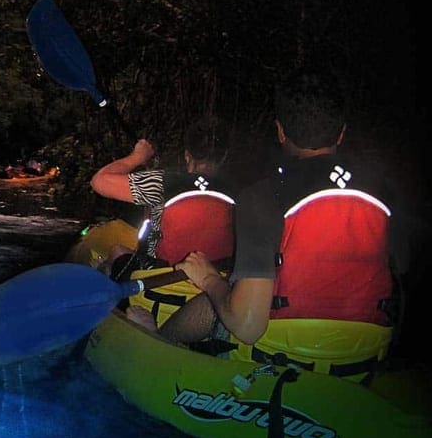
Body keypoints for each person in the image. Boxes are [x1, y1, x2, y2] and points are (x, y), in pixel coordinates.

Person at [166, 71, 402, 380]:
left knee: (220, 297)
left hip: (278, 354)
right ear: (342, 133)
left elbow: (247, 326)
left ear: (280, 131)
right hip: (365, 355)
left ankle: (159, 341)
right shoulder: (385, 192)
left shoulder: (262, 196)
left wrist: (209, 278)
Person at [90, 115, 236, 282]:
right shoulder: (238, 191)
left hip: (160, 279)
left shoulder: (163, 183)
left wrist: (138, 156)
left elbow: (98, 181)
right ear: (224, 156)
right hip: (215, 281)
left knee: (117, 252)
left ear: (187, 155)